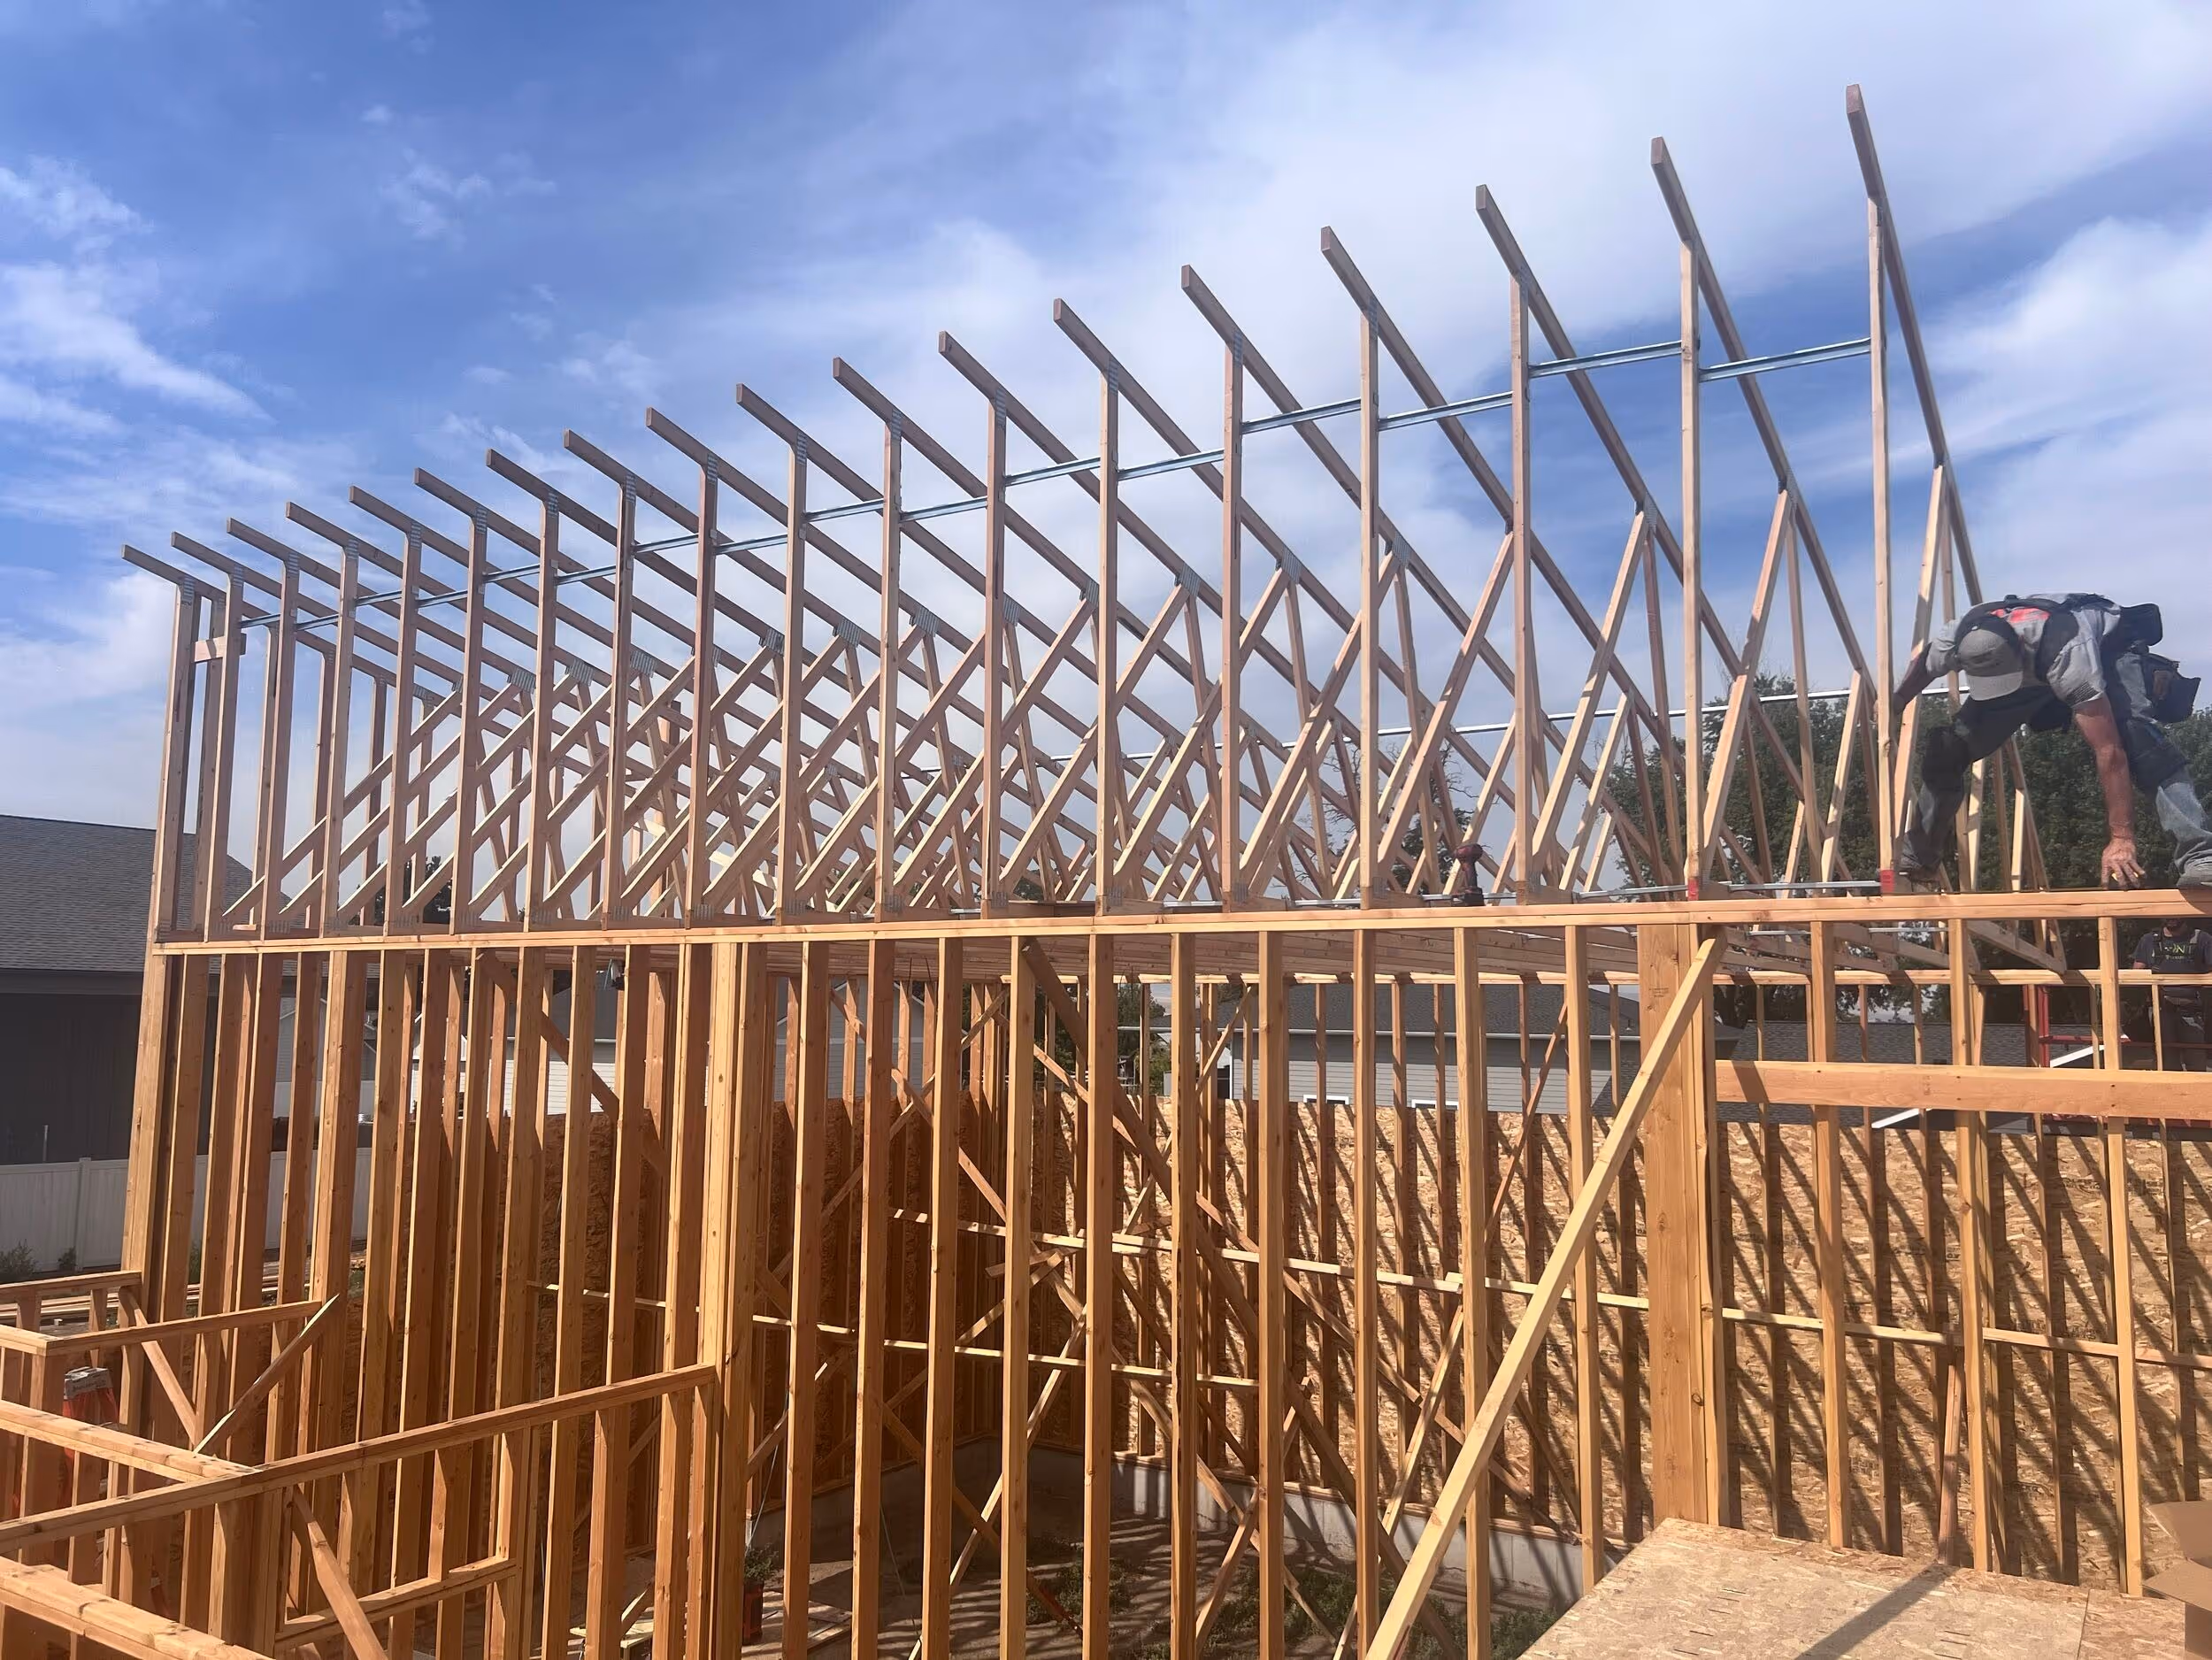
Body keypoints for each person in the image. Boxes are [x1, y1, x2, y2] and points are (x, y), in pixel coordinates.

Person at [1893, 593, 2210, 889]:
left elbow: (2108, 750)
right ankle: (1920, 857)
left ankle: (2200, 853)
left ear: (2019, 650)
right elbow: (1923, 666)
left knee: (2140, 741)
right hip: (2030, 667)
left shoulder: (2069, 651)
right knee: (1948, 750)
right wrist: (1896, 701)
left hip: (2105, 651)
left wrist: (2121, 838)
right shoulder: (1957, 636)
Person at [2132, 918, 2212, 1071]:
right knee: (2166, 1061)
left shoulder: (2202, 939)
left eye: (2176, 914)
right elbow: (2136, 971)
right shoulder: (2149, 939)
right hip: (2160, 1008)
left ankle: (2196, 1086)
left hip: (2192, 1009)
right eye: (2168, 914)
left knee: (2195, 1059)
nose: (2172, 918)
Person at [1448, 836, 1487, 905]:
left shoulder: (1463, 856)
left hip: (1471, 896)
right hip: (1474, 895)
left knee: (1468, 867)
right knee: (1469, 867)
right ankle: (1473, 889)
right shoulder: (1471, 853)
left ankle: (1472, 889)